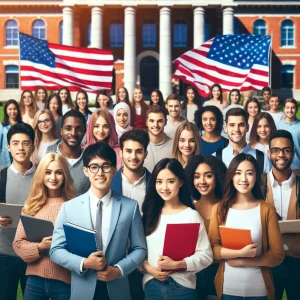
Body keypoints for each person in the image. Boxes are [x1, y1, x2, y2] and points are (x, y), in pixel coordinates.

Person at [50, 142, 147, 300]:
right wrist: (84, 263)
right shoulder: (69, 208)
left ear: (115, 170)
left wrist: (118, 270)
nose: (100, 173)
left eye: (106, 166)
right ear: (86, 171)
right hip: (82, 289)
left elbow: (139, 248)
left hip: (117, 288)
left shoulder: (131, 207)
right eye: (94, 167)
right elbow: (56, 250)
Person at [208, 153, 285, 300]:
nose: (243, 179)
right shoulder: (219, 209)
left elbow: (277, 255)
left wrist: (244, 261)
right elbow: (212, 249)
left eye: (249, 173)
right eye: (238, 173)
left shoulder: (266, 210)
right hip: (228, 290)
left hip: (260, 291)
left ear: (256, 177)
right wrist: (239, 252)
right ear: (231, 176)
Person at [141, 158, 213, 300]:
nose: (165, 187)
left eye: (171, 181)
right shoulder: (149, 214)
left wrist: (177, 264)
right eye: (159, 181)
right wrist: (149, 269)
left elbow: (206, 256)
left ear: (181, 182)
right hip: (152, 286)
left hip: (182, 287)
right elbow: (137, 252)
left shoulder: (191, 216)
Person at [13, 153, 75, 300]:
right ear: (41, 175)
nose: (53, 177)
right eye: (48, 172)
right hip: (35, 281)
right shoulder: (31, 206)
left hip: (64, 281)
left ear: (65, 175)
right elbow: (18, 244)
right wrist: (40, 247)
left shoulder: (74, 206)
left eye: (58, 172)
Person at [111, 129, 150, 300]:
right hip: (116, 260)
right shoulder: (108, 184)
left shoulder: (157, 184)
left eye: (138, 151)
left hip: (149, 260)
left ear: (145, 153)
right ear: (121, 152)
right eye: (128, 151)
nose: (133, 156)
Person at [0, 123, 36, 300]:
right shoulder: (1, 177)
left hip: (34, 254)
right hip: (4, 254)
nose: (20, 148)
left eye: (25, 143)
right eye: (15, 143)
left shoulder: (43, 178)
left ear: (33, 146)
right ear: (8, 147)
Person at [185, 155, 227, 299]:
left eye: (208, 176)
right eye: (197, 176)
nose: (202, 181)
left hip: (223, 272)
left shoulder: (228, 208)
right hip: (193, 275)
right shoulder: (188, 210)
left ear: (218, 177)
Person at [266, 130, 300, 300]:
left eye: (286, 150)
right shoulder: (258, 185)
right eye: (276, 150)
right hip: (267, 259)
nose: (281, 155)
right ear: (269, 153)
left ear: (293, 153)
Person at [214, 108, 271, 174]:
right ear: (225, 128)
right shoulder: (215, 158)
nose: (236, 129)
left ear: (247, 127)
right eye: (232, 125)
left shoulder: (263, 159)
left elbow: (268, 183)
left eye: (241, 125)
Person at [46, 110, 90, 196]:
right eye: (68, 128)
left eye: (78, 129)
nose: (73, 133)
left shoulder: (89, 160)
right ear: (61, 131)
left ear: (85, 131)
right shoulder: (49, 155)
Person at [143, 105, 173, 172]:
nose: (155, 125)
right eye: (152, 121)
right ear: (146, 122)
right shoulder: (139, 144)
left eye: (160, 121)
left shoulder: (174, 145)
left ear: (165, 122)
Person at [277, 98, 300, 170]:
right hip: (281, 165)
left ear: (296, 109)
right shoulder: (278, 125)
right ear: (284, 109)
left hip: (297, 166)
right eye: (287, 108)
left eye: (293, 108)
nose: (290, 110)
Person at [0, 99, 23, 170]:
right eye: (10, 109)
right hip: (5, 159)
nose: (12, 111)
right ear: (6, 111)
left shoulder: (22, 125)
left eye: (14, 109)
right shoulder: (2, 126)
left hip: (19, 157)